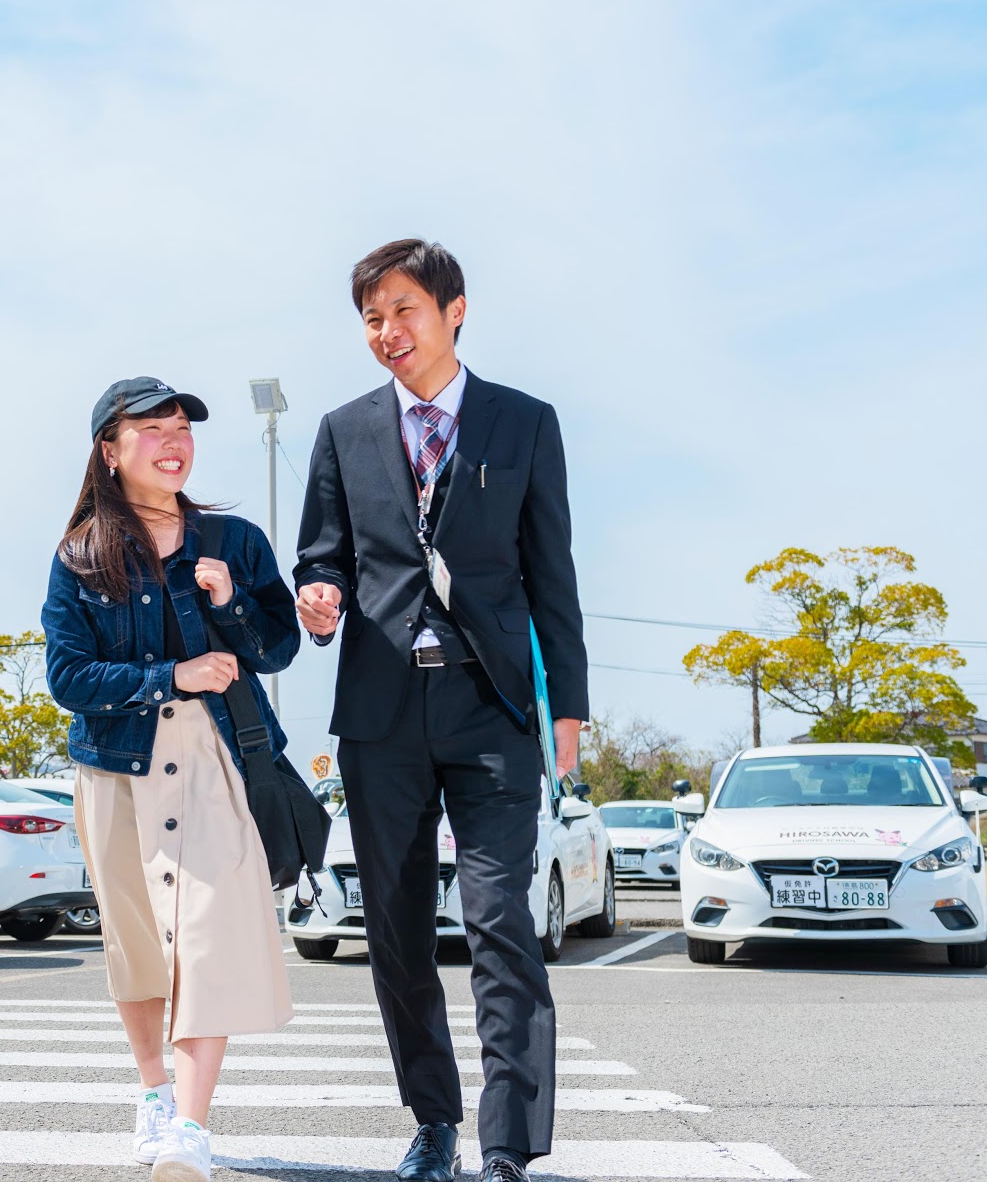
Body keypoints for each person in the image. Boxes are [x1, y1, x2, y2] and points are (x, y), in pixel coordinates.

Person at [293, 239, 588, 1182]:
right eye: (372, 318)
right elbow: (322, 553)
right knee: (395, 930)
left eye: (403, 311)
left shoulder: (525, 423)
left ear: (455, 310)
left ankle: (508, 1145)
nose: (387, 333)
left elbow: (554, 574)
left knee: (501, 919)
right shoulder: (343, 431)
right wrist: (320, 595)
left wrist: (567, 708)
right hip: (380, 713)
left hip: (492, 710)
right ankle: (434, 1122)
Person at [42, 376, 299, 1182]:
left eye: (181, 424)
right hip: (116, 765)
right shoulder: (80, 556)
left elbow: (279, 647)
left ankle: (189, 1127)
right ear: (110, 453)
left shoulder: (236, 540)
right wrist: (170, 674)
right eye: (150, 428)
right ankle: (154, 1092)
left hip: (213, 758)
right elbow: (67, 678)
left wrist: (231, 607)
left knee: (209, 939)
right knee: (137, 945)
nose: (172, 438)